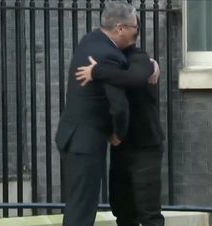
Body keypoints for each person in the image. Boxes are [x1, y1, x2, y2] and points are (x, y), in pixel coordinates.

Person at [54, 2, 139, 226]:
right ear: (120, 28)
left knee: (77, 203)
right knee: (82, 209)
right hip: (87, 142)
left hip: (71, 136)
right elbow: (119, 105)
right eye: (134, 28)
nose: (136, 33)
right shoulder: (110, 56)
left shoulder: (89, 41)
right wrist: (118, 133)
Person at [74, 19, 165, 226]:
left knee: (148, 210)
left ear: (123, 30)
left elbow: (135, 78)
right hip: (121, 144)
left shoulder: (140, 58)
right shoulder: (108, 59)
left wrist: (97, 72)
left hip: (145, 144)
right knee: (122, 207)